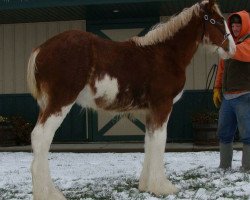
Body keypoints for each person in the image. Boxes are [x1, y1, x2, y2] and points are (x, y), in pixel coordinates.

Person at [213, 10, 250, 171]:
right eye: (233, 25)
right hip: (227, 97)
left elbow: (241, 53)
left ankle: (247, 167)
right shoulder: (230, 44)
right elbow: (222, 68)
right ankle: (224, 166)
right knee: (224, 133)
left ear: (246, 25)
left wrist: (226, 46)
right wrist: (217, 87)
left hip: (245, 95)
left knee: (247, 134)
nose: (235, 28)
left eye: (238, 25)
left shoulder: (247, 42)